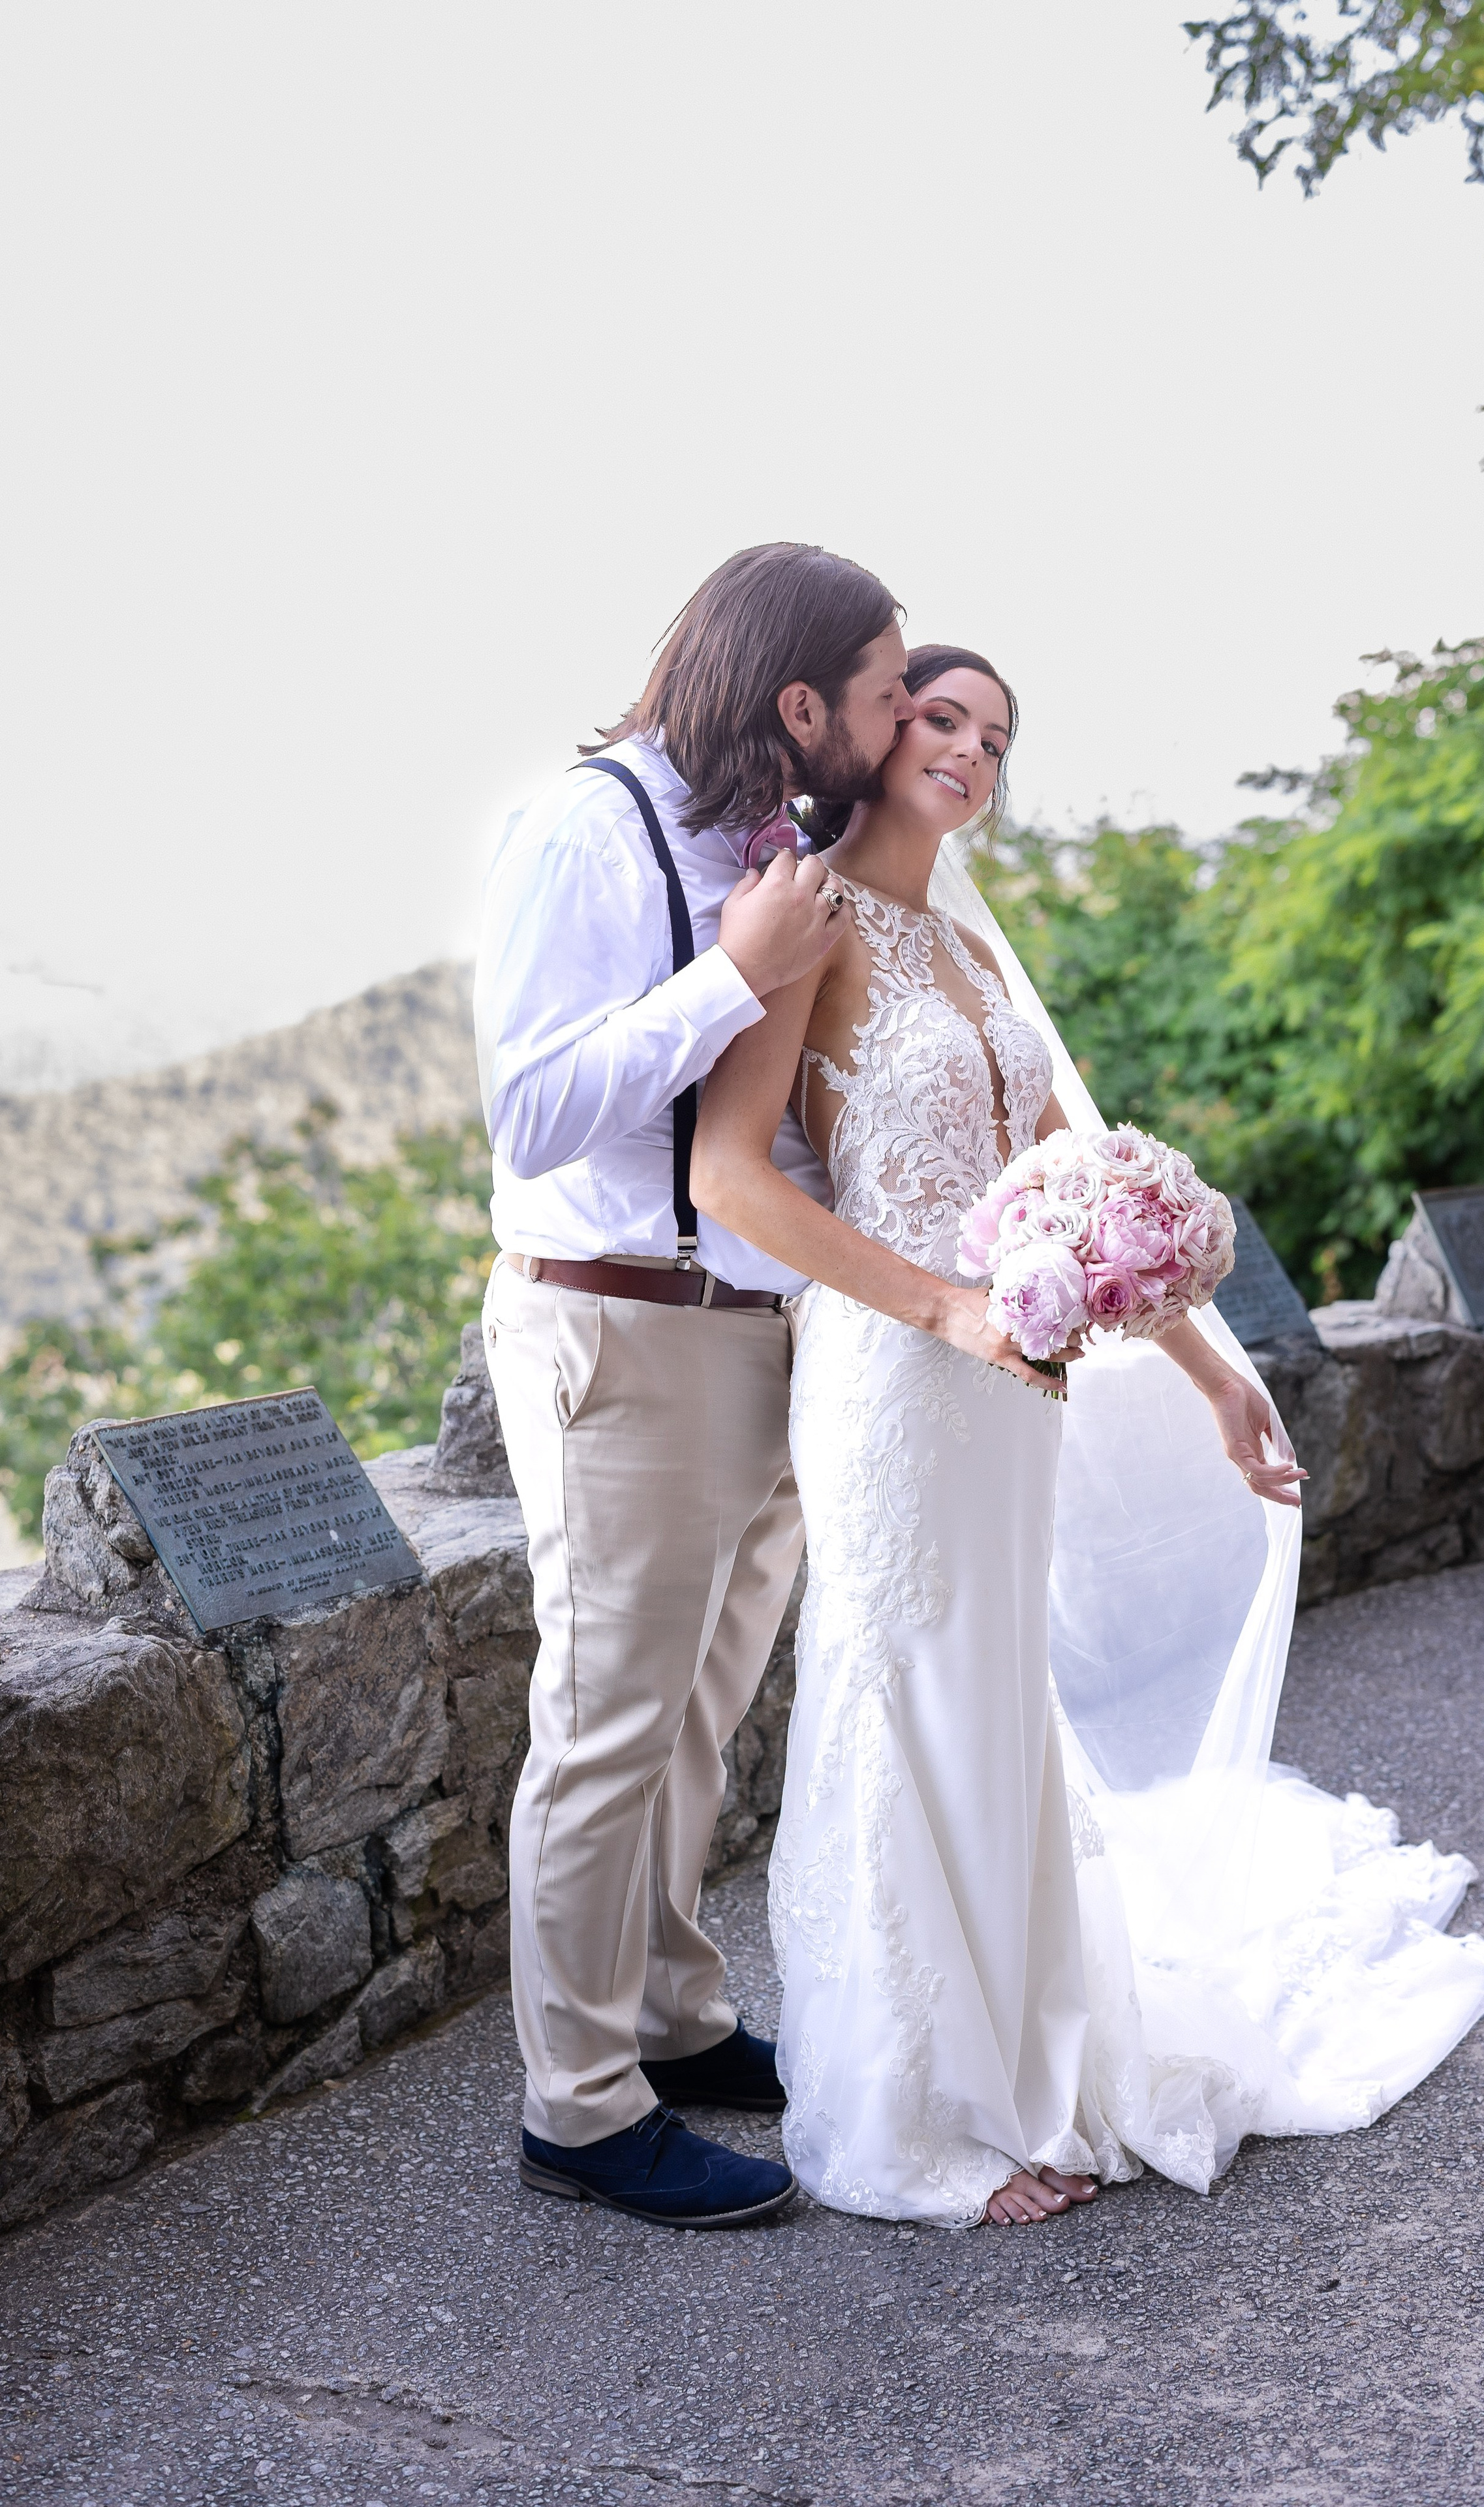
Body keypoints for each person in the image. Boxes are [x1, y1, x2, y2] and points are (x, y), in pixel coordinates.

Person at [691, 644, 1484, 2228]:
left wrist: (1213, 1377)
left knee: (999, 1699)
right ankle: (926, 2108)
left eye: (996, 735)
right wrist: (941, 1310)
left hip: (1017, 1392)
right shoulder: (807, 916)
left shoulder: (976, 957)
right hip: (893, 1374)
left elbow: (1085, 1189)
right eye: (943, 717)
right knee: (906, 1694)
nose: (971, 750)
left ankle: (1032, 2055)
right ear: (875, 731)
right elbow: (732, 1178)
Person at [474, 542, 916, 2228]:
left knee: (694, 1721)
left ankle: (670, 2015)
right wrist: (730, 972)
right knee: (601, 1728)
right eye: (882, 696)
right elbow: (528, 1112)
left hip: (755, 1341)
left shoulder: (765, 840)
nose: (894, 724)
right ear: (801, 703)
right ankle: (576, 2106)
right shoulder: (585, 828)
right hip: (621, 1334)